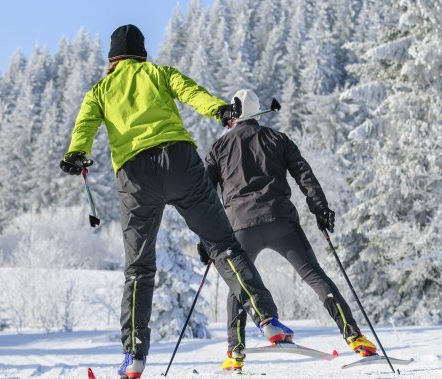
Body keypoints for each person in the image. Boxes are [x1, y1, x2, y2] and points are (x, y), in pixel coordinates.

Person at [60, 25, 294, 379]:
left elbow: (85, 125)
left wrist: (77, 154)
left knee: (139, 268)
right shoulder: (158, 73)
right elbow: (191, 93)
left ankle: (134, 355)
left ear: (112, 58)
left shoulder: (100, 90)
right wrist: (221, 111)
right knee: (223, 246)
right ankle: (267, 319)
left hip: (135, 177)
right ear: (141, 52)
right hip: (179, 162)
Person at [196, 89, 378, 371]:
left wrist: (206, 239)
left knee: (238, 285)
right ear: (258, 114)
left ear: (234, 115)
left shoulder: (219, 147)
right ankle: (355, 337)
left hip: (240, 226)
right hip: (281, 222)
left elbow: (204, 194)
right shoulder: (277, 139)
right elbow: (304, 174)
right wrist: (320, 209)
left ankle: (235, 351)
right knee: (314, 276)